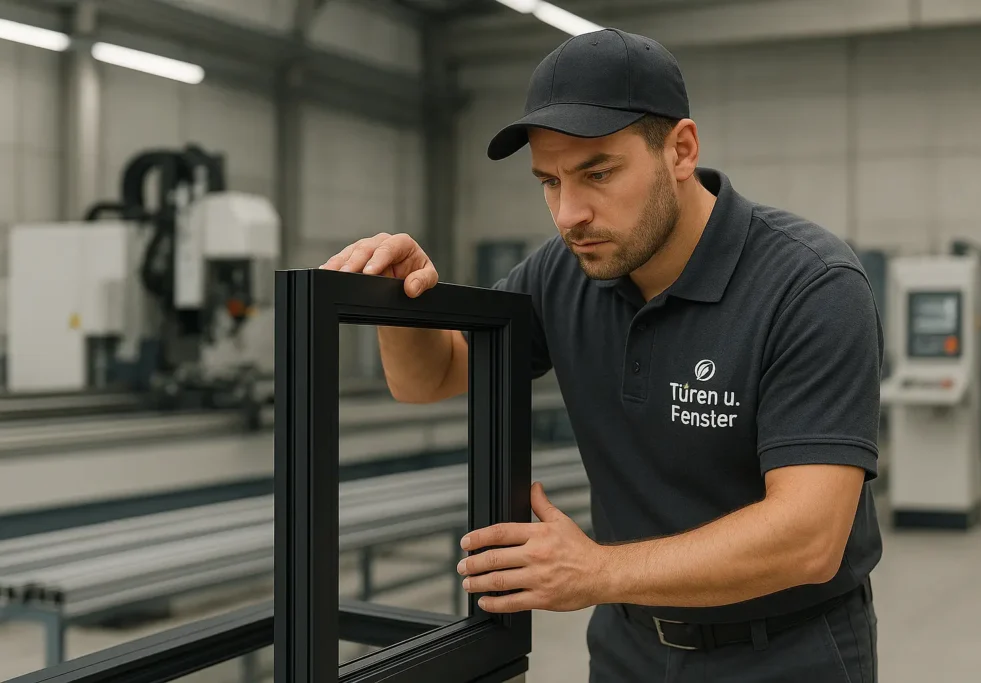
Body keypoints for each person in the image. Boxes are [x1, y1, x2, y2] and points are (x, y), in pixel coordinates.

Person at [322, 27, 882, 683]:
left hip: (785, 653)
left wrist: (596, 569)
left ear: (681, 149)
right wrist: (403, 301)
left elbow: (810, 537)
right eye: (549, 181)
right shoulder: (561, 274)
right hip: (628, 650)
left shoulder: (809, 285)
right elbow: (434, 376)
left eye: (597, 173)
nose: (568, 213)